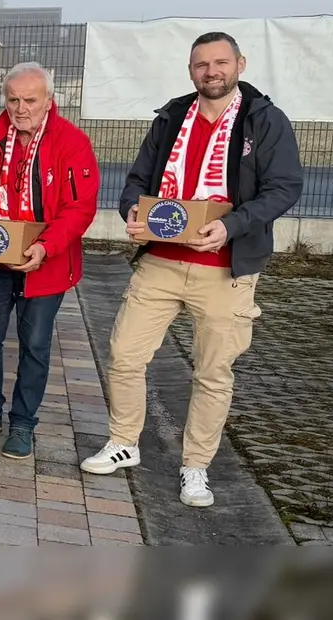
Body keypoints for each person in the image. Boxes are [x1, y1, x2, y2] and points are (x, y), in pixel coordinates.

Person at [81, 32, 302, 508]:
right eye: (201, 64)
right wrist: (132, 214)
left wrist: (233, 227)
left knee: (212, 372)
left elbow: (284, 188)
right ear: (190, 69)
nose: (211, 71)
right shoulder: (172, 116)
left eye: (221, 62)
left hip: (227, 268)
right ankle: (123, 442)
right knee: (124, 354)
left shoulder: (264, 120)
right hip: (161, 261)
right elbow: (138, 179)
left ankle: (195, 466)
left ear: (239, 63)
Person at [0, 62, 99, 460]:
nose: (20, 108)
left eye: (30, 100)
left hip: (45, 262)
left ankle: (23, 421)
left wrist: (46, 247)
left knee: (34, 344)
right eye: (13, 99)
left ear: (49, 100)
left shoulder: (72, 142)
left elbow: (80, 207)